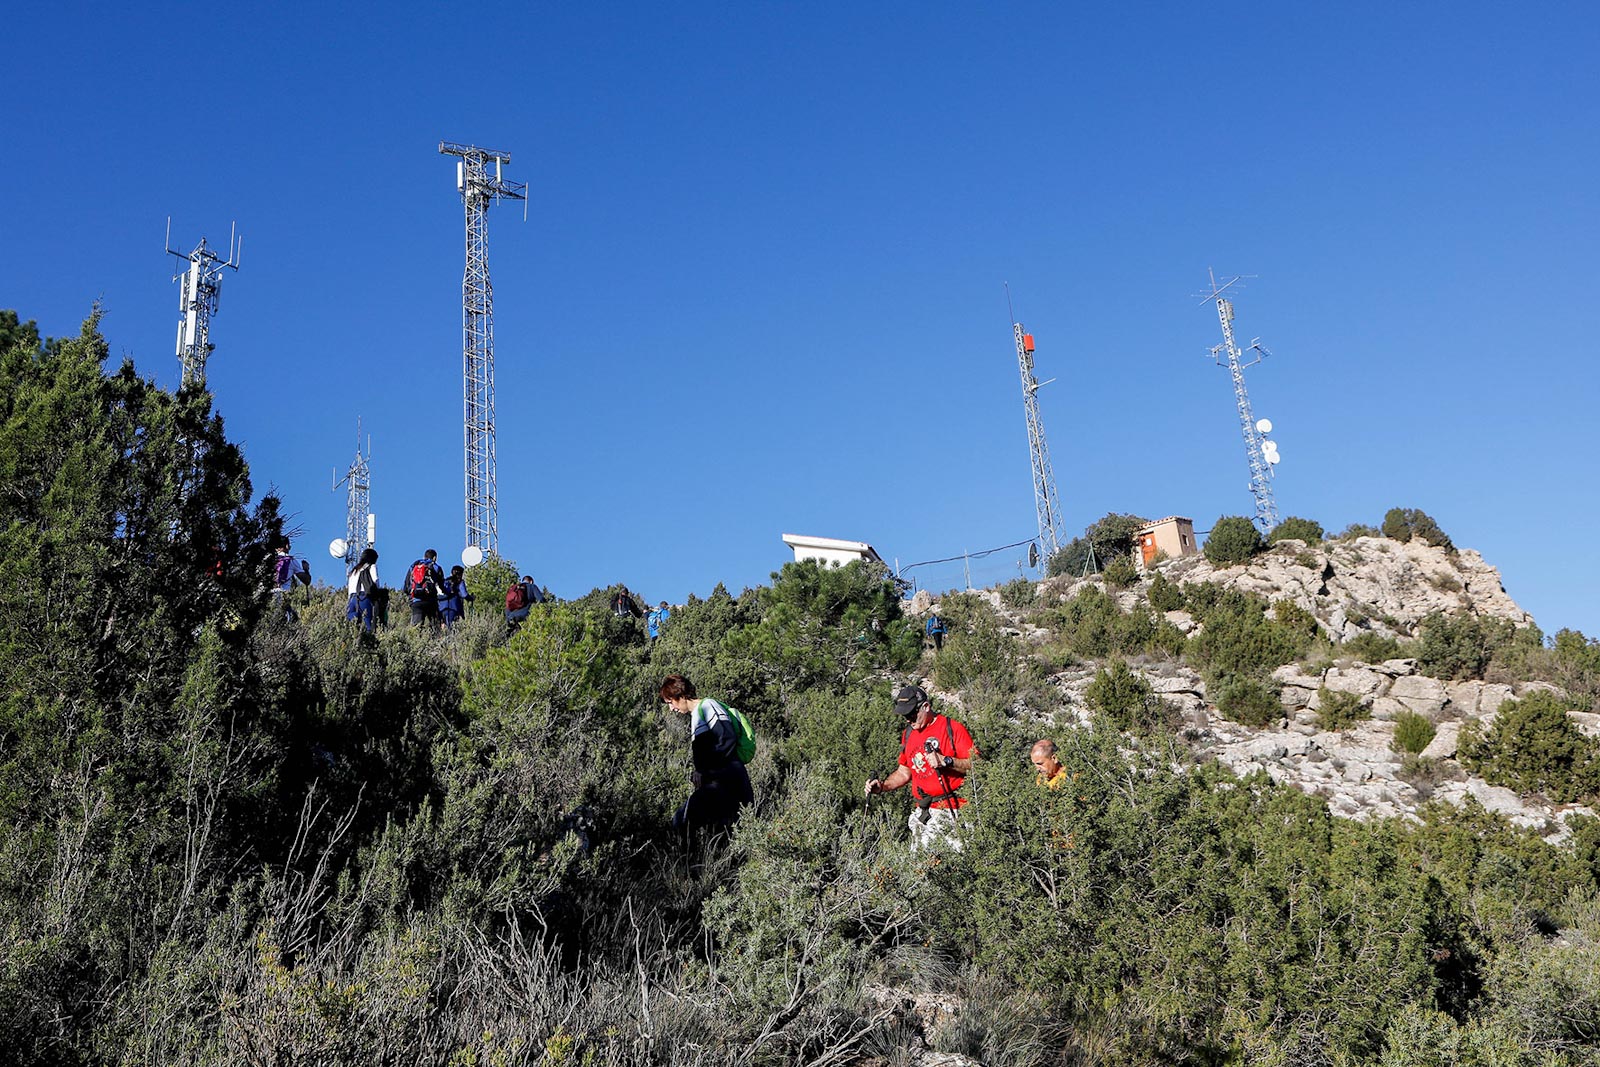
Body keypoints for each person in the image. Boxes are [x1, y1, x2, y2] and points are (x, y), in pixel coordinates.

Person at [864, 684, 979, 850]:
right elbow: (904, 772)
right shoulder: (909, 733)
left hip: (953, 810)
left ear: (925, 706)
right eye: (905, 716)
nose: (908, 720)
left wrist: (946, 761)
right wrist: (882, 786)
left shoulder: (952, 728)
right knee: (919, 871)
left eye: (912, 714)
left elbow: (977, 764)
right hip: (924, 813)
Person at [659, 673, 753, 843]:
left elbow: (727, 738)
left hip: (727, 780)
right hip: (719, 781)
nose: (671, 709)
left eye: (670, 702)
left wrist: (706, 772)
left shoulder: (708, 706)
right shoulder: (697, 716)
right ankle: (705, 866)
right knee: (717, 834)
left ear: (679, 695)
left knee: (682, 821)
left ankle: (689, 865)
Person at [404, 549, 446, 631]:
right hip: (431, 601)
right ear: (434, 558)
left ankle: (416, 642)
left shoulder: (414, 565)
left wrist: (411, 596)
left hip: (416, 601)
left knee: (416, 629)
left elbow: (406, 586)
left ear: (424, 556)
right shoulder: (436, 567)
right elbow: (442, 586)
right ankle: (436, 641)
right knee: (435, 626)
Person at [271, 540, 311, 622]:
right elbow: (306, 581)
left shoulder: (267, 559)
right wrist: (306, 570)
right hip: (282, 594)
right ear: (287, 546)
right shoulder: (290, 560)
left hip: (265, 594)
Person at [345, 548, 380, 633]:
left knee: (352, 628)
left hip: (352, 600)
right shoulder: (371, 566)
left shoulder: (354, 570)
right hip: (364, 598)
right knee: (368, 625)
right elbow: (375, 581)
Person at [438, 565, 474, 630]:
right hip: (453, 607)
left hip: (441, 607)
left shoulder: (445, 581)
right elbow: (464, 594)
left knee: (443, 627)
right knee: (451, 628)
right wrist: (471, 598)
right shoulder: (459, 581)